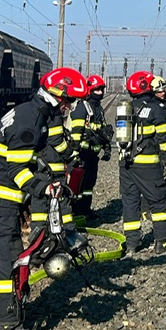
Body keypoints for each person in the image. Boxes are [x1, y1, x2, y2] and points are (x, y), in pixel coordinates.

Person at [0, 67, 87, 330]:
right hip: (3, 198)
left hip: (9, 198)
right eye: (69, 100)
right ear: (57, 94)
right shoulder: (31, 122)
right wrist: (42, 189)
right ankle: (6, 316)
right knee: (6, 254)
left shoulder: (33, 112)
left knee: (13, 250)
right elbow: (15, 169)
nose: (70, 107)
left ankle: (13, 303)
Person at [118, 71, 166, 254]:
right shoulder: (156, 109)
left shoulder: (126, 107)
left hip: (126, 164)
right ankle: (162, 242)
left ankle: (132, 244)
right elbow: (164, 140)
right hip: (148, 166)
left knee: (130, 203)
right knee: (158, 202)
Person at [69, 74, 113, 220]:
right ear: (90, 90)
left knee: (89, 185)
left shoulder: (99, 109)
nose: (100, 92)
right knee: (78, 185)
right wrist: (75, 154)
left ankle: (86, 210)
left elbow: (103, 131)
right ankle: (76, 211)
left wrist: (107, 148)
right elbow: (76, 133)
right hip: (82, 155)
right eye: (97, 90)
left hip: (93, 155)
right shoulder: (83, 108)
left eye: (102, 89)